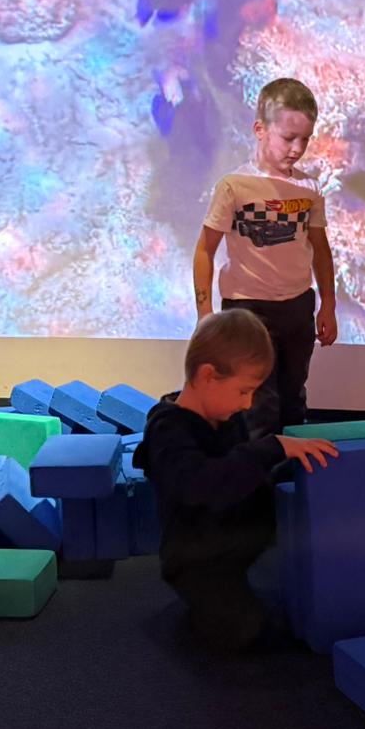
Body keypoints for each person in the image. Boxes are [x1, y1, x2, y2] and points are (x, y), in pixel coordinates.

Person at [133, 310, 337, 651]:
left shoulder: (226, 416)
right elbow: (202, 485)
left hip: (231, 537)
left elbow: (243, 473)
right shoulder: (168, 430)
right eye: (244, 391)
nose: (248, 403)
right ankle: (206, 602)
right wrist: (271, 447)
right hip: (194, 559)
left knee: (290, 474)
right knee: (245, 631)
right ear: (208, 376)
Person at [193, 77, 337, 440]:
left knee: (292, 399)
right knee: (258, 405)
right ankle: (259, 471)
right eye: (288, 138)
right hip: (247, 309)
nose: (297, 149)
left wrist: (328, 304)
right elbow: (205, 249)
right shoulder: (234, 186)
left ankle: (294, 470)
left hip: (297, 306)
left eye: (305, 139)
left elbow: (320, 249)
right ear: (260, 129)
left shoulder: (310, 188)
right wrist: (204, 313)